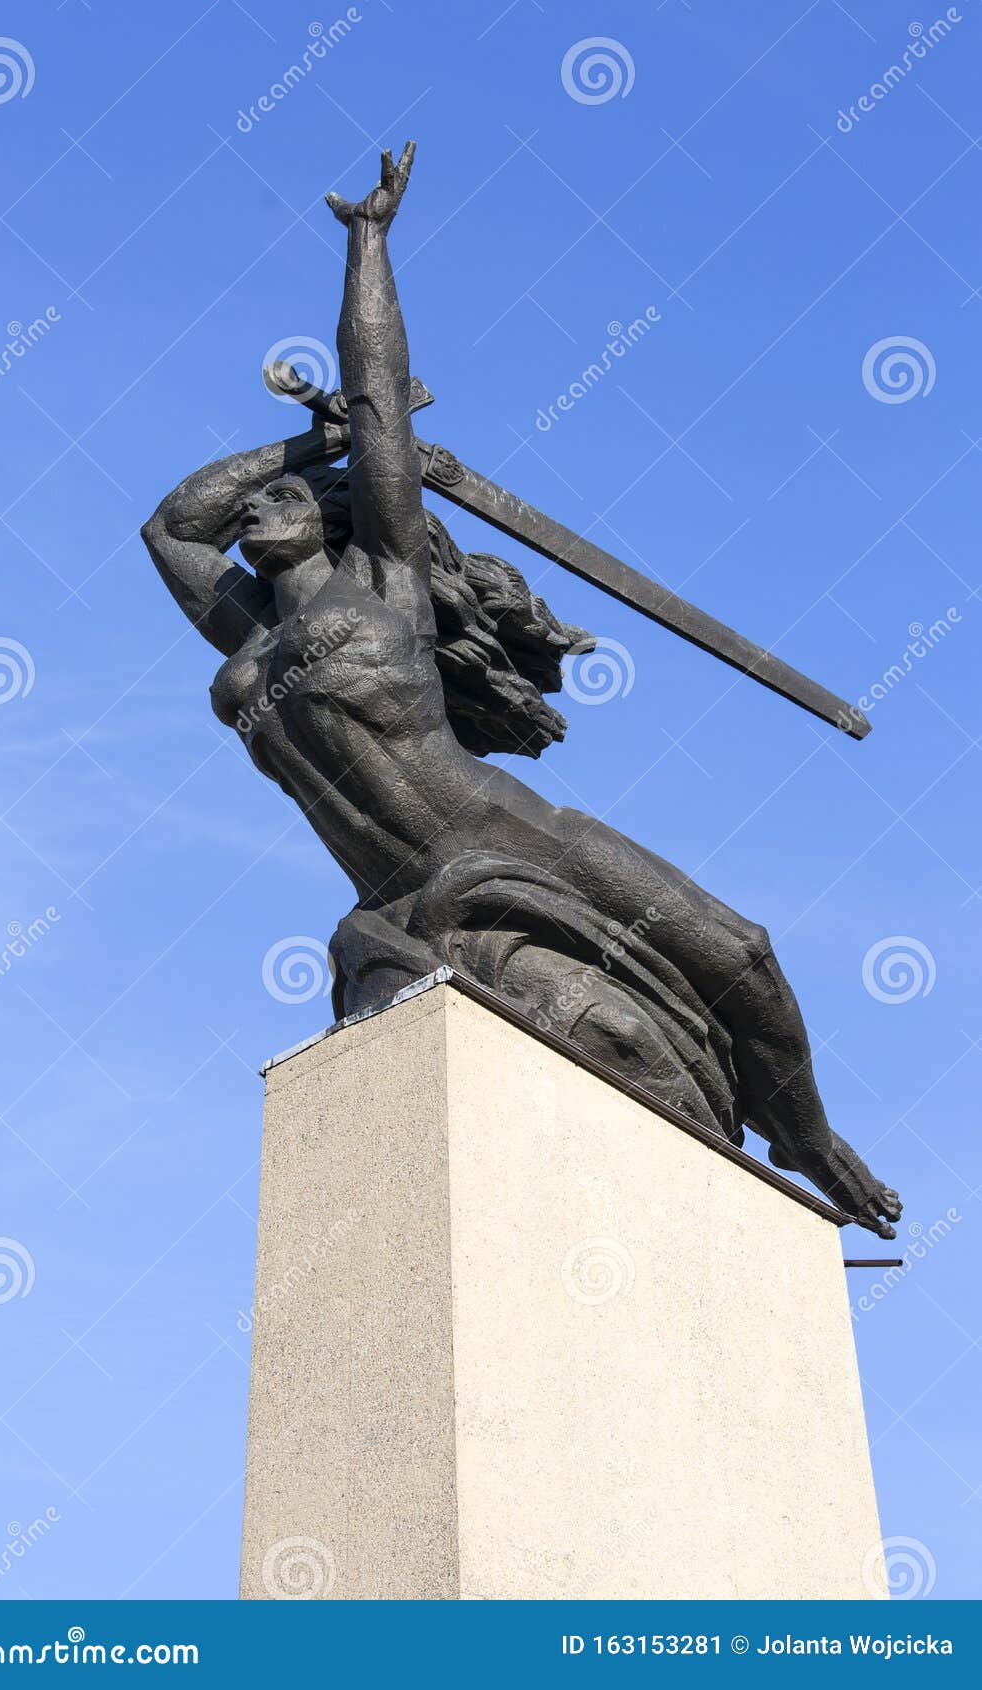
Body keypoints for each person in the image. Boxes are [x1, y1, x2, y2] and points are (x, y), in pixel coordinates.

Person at [142, 144, 901, 1238]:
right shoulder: (247, 645)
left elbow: (376, 393)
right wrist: (306, 443)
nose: (255, 507)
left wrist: (365, 245)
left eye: (283, 499)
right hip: (396, 894)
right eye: (253, 504)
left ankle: (807, 1133)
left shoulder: (385, 581)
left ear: (336, 513)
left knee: (737, 950)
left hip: (504, 834)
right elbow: (170, 523)